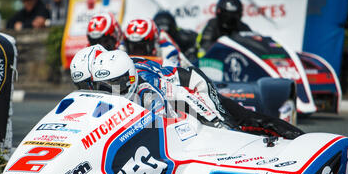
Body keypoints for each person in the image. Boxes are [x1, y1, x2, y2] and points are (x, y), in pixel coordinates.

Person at [91, 49, 304, 140]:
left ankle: (294, 139)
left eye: (114, 84)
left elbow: (155, 131)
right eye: (103, 86)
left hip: (190, 88)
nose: (110, 91)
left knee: (229, 129)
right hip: (171, 86)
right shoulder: (120, 68)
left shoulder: (148, 94)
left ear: (129, 79)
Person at [123, 17, 190, 68]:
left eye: (141, 47)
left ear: (154, 42)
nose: (137, 53)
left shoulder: (168, 51)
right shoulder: (121, 50)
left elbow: (175, 78)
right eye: (132, 47)